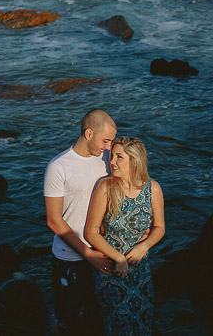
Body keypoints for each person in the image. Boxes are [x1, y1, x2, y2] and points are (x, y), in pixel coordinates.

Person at [44, 109, 118, 334]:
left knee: (98, 316)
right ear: (88, 133)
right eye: (105, 140)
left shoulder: (107, 160)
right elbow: (54, 221)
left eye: (111, 141)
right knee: (66, 320)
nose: (109, 147)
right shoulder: (58, 167)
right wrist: (88, 254)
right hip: (70, 258)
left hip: (103, 251)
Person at [84, 137, 165, 336]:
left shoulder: (152, 189)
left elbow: (160, 227)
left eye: (119, 157)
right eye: (112, 156)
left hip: (140, 268)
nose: (112, 161)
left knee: (143, 322)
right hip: (110, 267)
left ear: (134, 161)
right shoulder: (106, 187)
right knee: (118, 323)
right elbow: (91, 232)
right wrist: (119, 259)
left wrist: (144, 246)